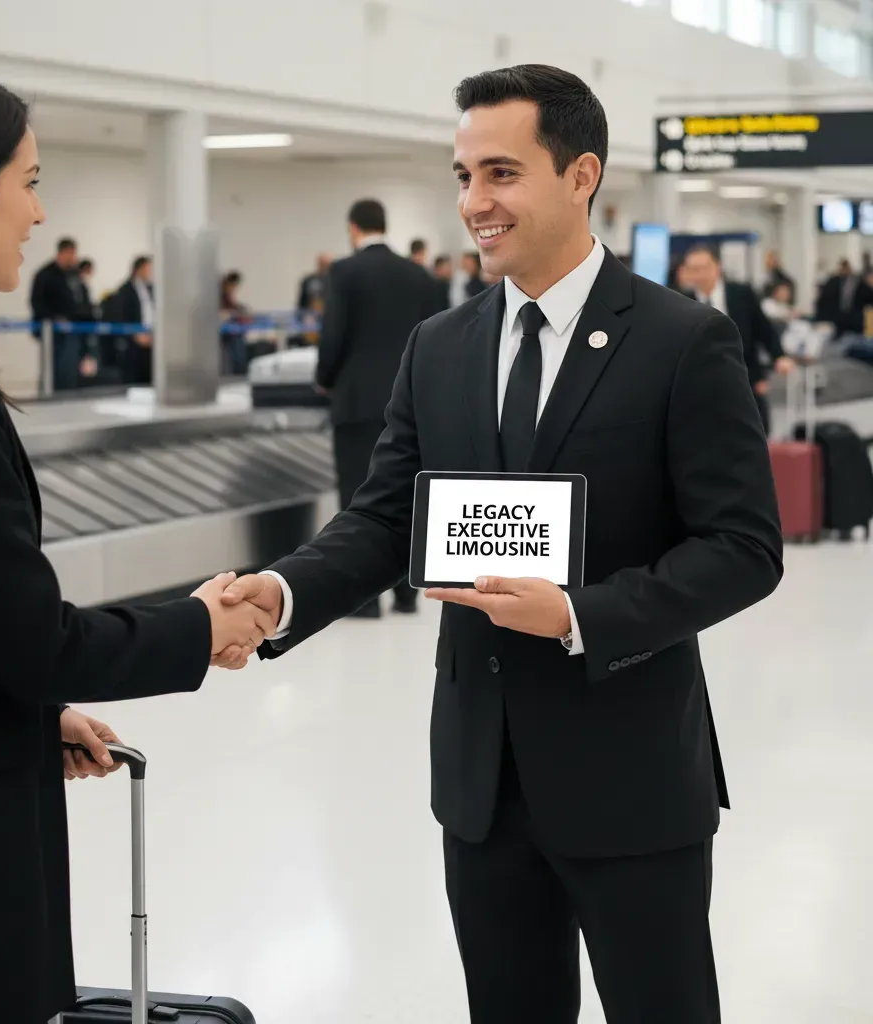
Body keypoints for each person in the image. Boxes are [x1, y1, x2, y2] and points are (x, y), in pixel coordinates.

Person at [215, 64, 783, 1023]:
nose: (475, 202)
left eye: (502, 174)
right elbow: (387, 514)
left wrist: (579, 614)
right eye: (464, 175)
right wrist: (283, 592)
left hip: (631, 778)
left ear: (581, 175)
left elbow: (743, 545)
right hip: (483, 784)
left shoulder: (682, 342)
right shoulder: (441, 344)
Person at [0, 65, 276, 1024]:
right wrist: (197, 624)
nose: (39, 214)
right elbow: (29, 638)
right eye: (31, 181)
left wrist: (29, 717)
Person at [315, 198, 440, 617]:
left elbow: (333, 336)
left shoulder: (344, 272)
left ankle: (364, 600)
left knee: (358, 498)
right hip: (412, 401)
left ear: (353, 228)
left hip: (357, 402)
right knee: (409, 494)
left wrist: (325, 379)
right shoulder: (418, 276)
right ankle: (407, 593)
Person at [681, 244, 794, 435]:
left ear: (717, 267)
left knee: (755, 429)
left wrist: (779, 356)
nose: (699, 274)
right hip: (701, 380)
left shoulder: (740, 293)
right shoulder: (682, 300)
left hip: (745, 373)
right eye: (693, 269)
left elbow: (762, 328)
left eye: (704, 267)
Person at [30, 236, 83, 391]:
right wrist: (55, 319)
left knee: (70, 370)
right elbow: (37, 303)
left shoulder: (74, 275)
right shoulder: (45, 275)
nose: (73, 258)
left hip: (73, 331)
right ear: (62, 252)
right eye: (70, 254)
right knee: (52, 370)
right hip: (51, 332)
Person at [104, 255, 154, 385]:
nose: (150, 272)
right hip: (133, 342)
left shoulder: (151, 289)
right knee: (134, 378)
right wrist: (134, 335)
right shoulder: (125, 290)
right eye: (148, 269)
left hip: (150, 339)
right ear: (139, 269)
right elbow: (120, 316)